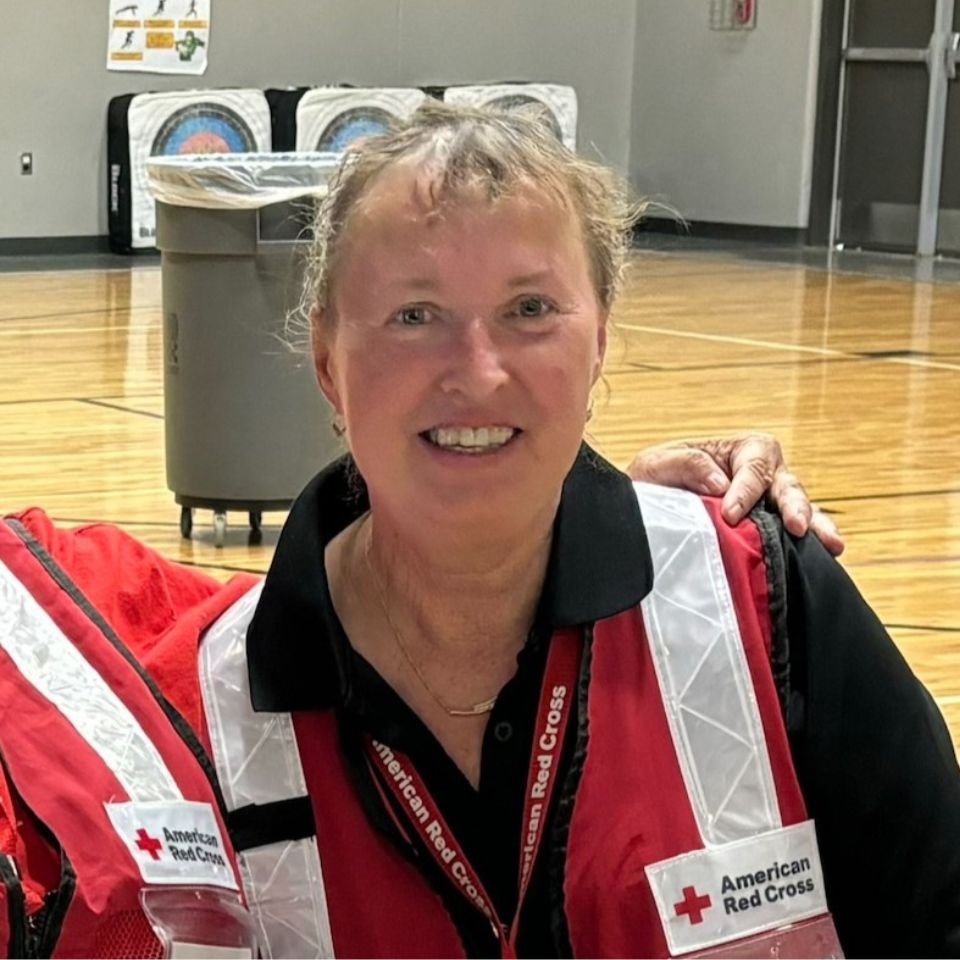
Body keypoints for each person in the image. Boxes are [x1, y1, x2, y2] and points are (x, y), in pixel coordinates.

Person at [0, 101, 944, 960]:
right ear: (327, 360)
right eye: (415, 316)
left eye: (530, 311)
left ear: (602, 337)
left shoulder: (765, 601)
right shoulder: (198, 715)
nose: (479, 372)